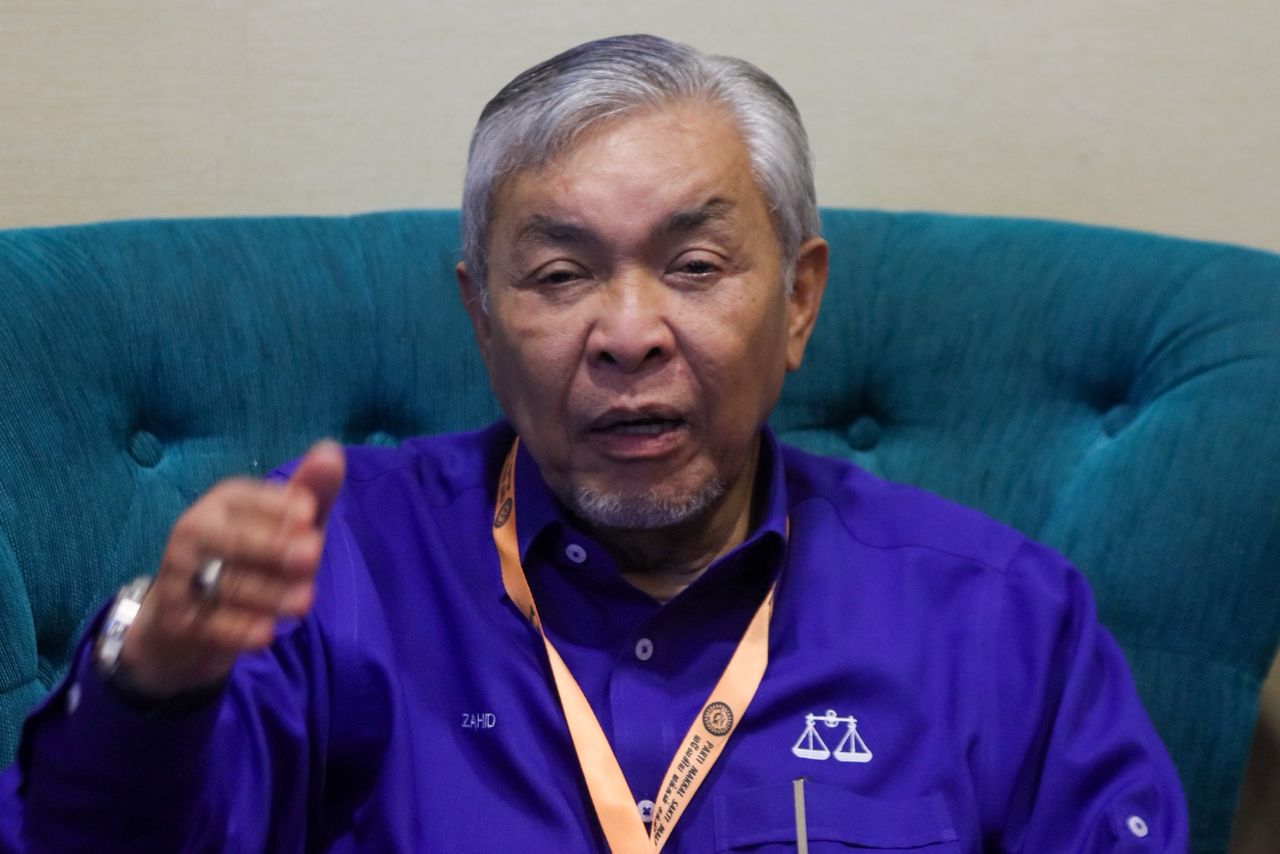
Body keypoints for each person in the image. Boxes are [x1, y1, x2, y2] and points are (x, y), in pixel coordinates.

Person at [0, 34, 1186, 852]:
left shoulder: (1003, 617)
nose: (627, 334)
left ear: (797, 301)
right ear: (480, 316)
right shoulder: (333, 565)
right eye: (560, 275)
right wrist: (149, 678)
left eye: (694, 264)